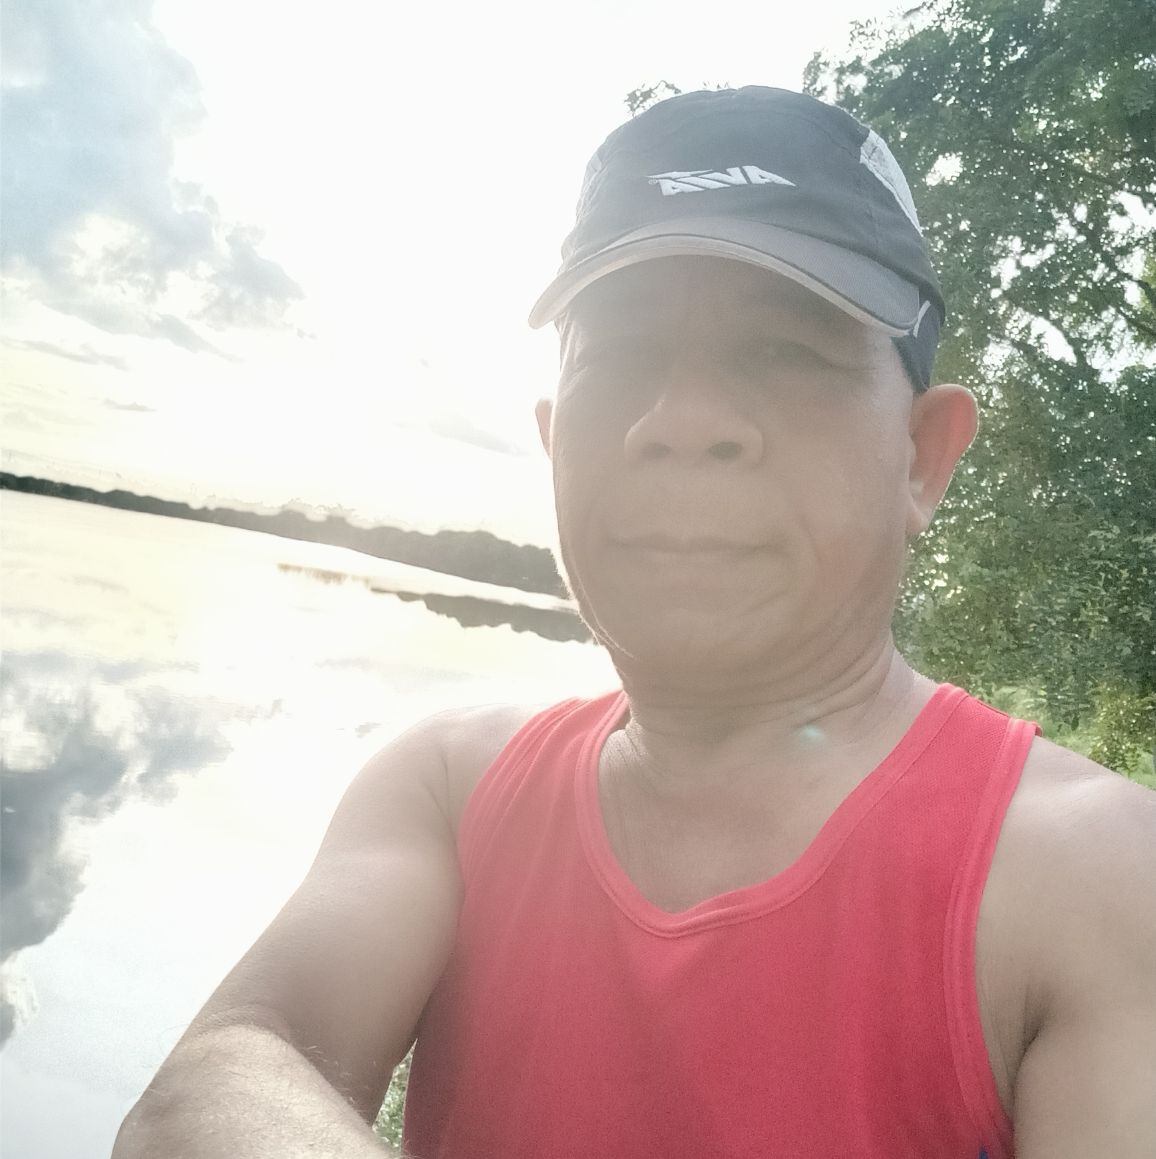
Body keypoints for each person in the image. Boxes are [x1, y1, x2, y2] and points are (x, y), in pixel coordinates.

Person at [113, 87, 1156, 1159]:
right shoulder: (448, 790)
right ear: (553, 442)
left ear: (921, 458)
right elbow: (227, 1064)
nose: (682, 421)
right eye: (619, 353)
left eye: (785, 352)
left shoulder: (1100, 880)